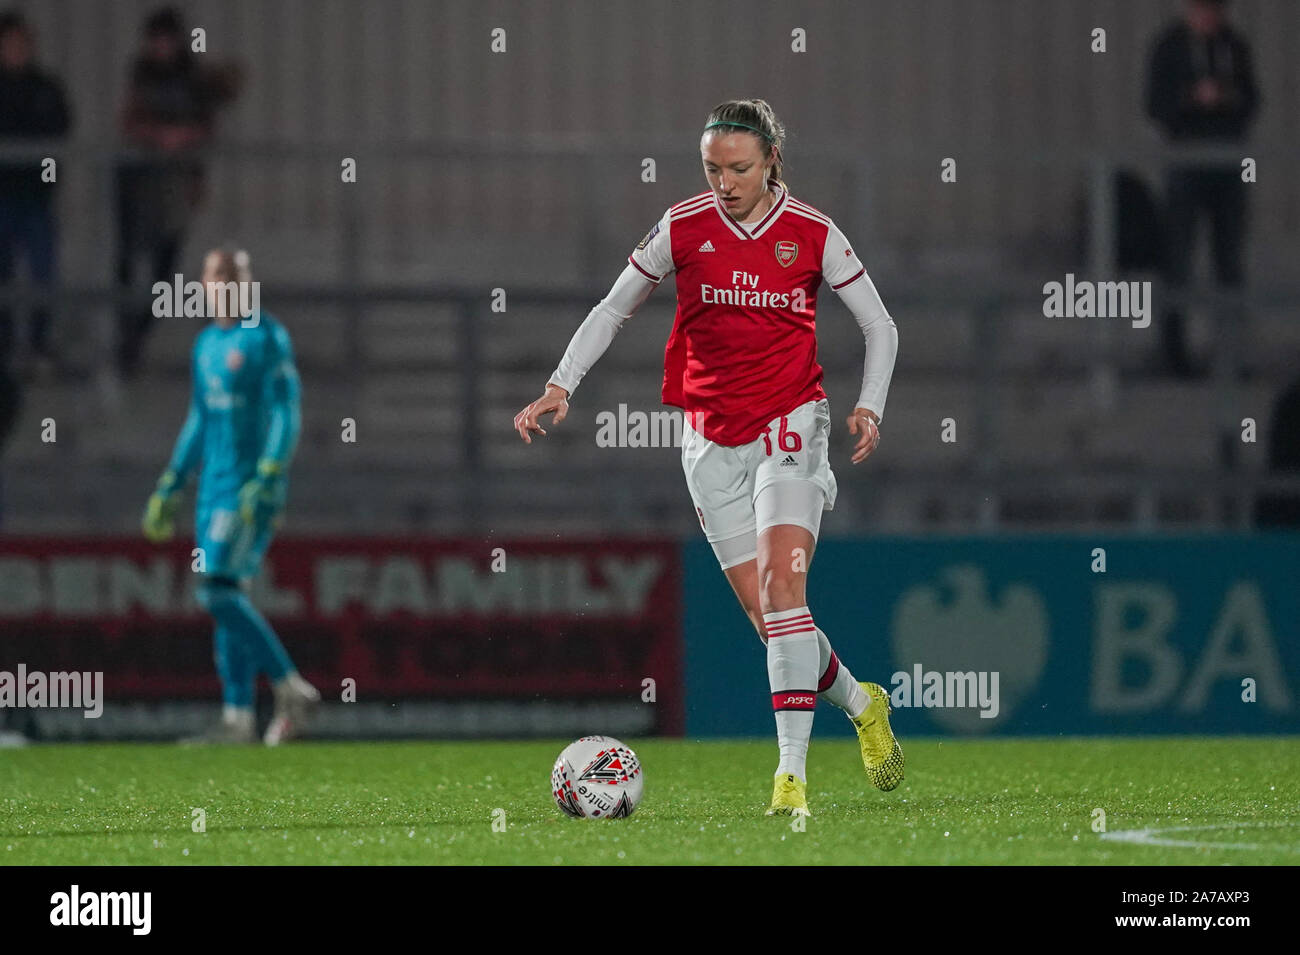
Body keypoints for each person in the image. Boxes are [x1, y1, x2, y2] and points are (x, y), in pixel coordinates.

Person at [515, 99, 901, 816]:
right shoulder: (683, 225)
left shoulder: (812, 233)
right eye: (712, 168)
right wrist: (560, 382)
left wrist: (869, 401)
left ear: (772, 161)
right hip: (709, 440)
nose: (724, 182)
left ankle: (791, 781)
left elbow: (879, 323)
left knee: (787, 595)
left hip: (792, 422)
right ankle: (861, 700)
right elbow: (613, 306)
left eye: (739, 168)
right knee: (770, 622)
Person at [142, 247, 319, 744]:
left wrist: (269, 472)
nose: (226, 283)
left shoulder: (265, 337)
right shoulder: (205, 346)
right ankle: (239, 717)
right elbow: (199, 420)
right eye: (218, 276)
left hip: (248, 489)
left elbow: (288, 410)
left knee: (213, 591)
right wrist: (171, 482)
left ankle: (291, 687)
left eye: (236, 275)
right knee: (228, 596)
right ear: (202, 284)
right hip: (211, 491)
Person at [116, 7, 238, 378]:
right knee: (134, 266)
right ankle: (129, 341)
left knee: (169, 271)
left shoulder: (192, 78)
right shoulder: (141, 74)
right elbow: (130, 121)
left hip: (178, 186)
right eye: (156, 41)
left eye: (166, 40)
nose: (161, 48)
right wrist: (158, 137)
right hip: (140, 186)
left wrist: (182, 141)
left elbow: (207, 124)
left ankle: (151, 340)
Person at [1145, 0, 1259, 378]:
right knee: (1177, 261)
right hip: (1186, 164)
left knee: (1229, 261)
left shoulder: (1235, 46)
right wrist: (1192, 99)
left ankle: (1232, 354)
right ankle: (1174, 355)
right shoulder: (1169, 47)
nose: (1209, 20)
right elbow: (1155, 106)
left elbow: (1252, 99)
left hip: (1228, 162)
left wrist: (1226, 100)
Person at [0, 10, 71, 375]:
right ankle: (7, 347)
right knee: (3, 274)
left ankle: (40, 345)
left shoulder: (47, 87)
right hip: (3, 197)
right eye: (9, 43)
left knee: (43, 273)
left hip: (37, 197)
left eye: (22, 43)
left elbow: (60, 129)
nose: (17, 50)